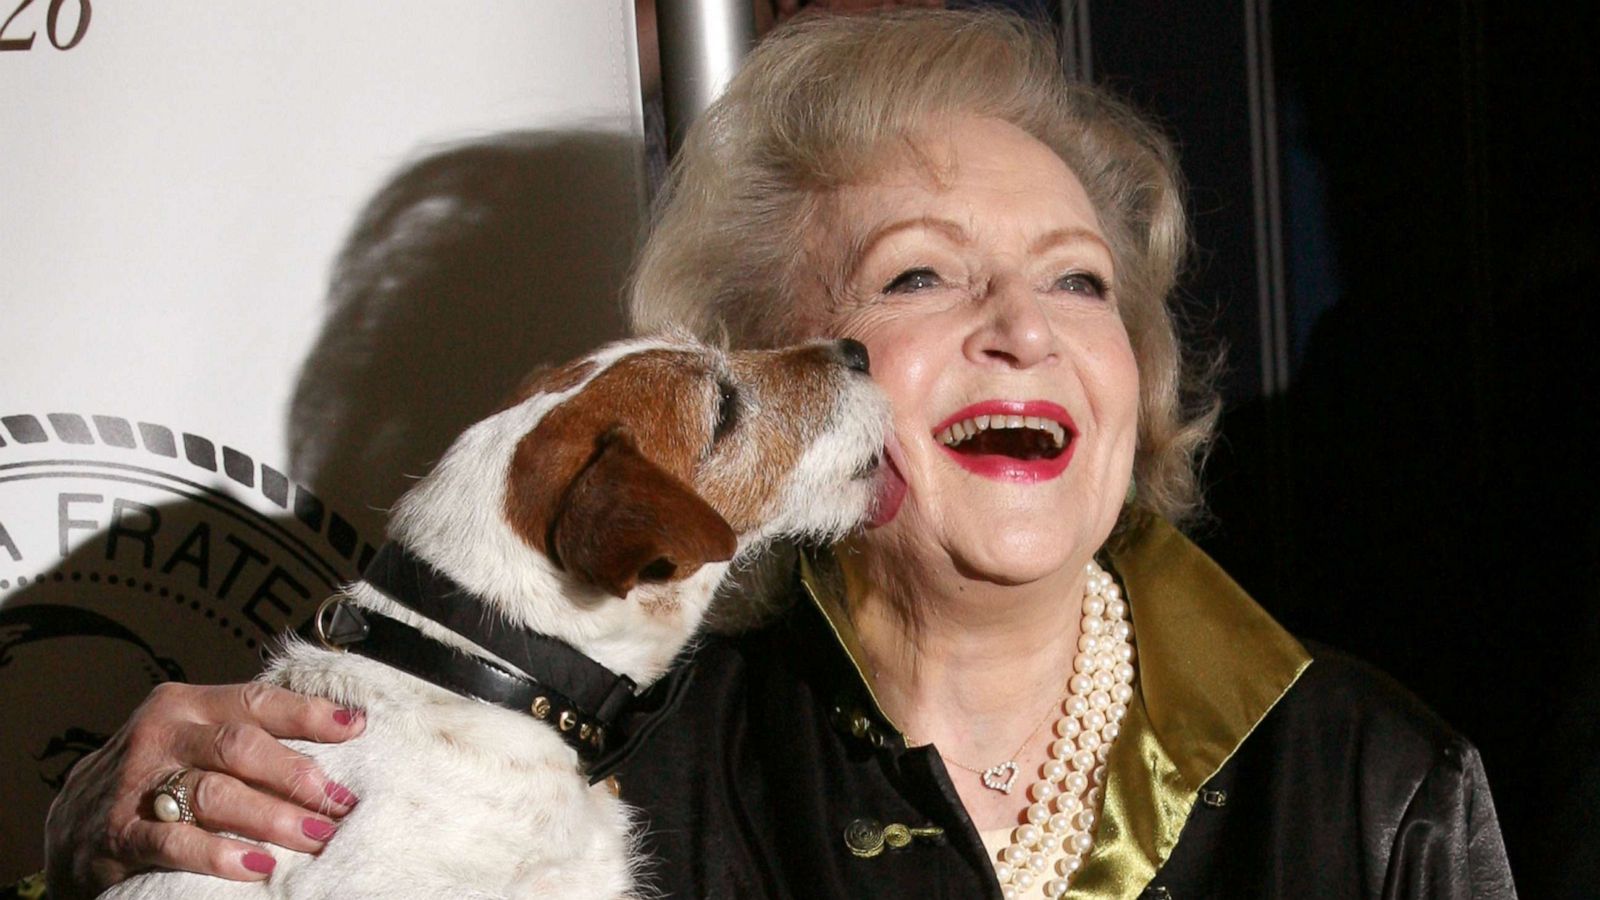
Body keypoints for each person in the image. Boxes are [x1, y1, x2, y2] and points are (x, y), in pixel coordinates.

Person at [35, 10, 1515, 898]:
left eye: (1080, 280)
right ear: (778, 385)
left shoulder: (1373, 785)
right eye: (922, 278)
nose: (1024, 328)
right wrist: (122, 847)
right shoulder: (606, 779)